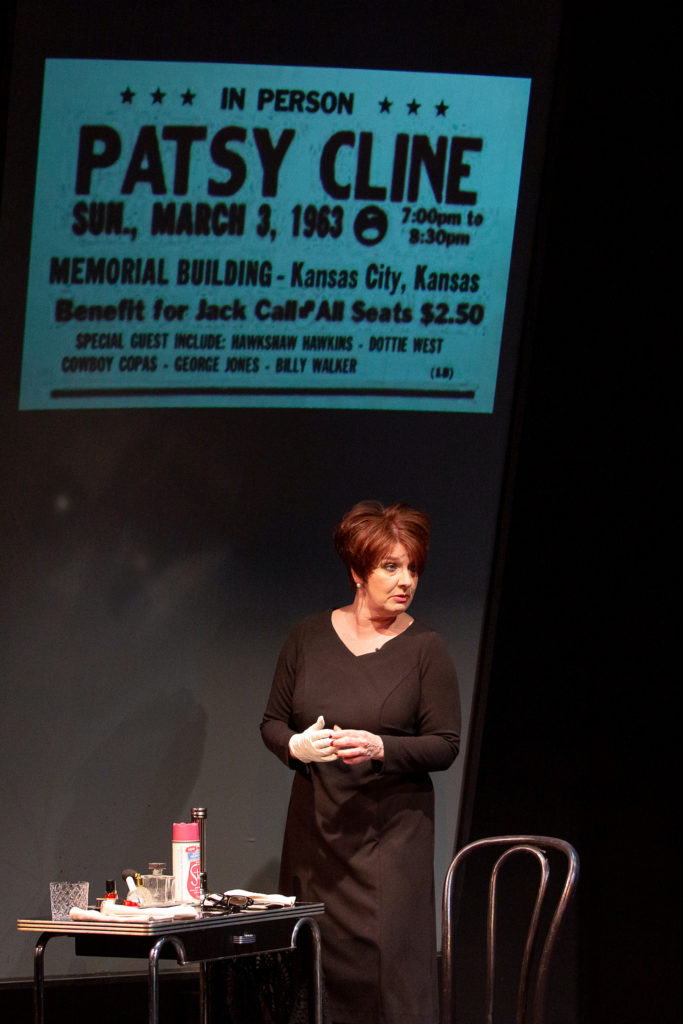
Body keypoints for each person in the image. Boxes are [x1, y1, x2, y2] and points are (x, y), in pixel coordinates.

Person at [260, 500, 461, 1024]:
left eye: (413, 568)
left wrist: (381, 747)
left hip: (389, 846)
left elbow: (445, 744)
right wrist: (296, 747)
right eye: (391, 567)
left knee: (387, 980)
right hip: (317, 841)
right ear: (357, 571)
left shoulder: (426, 649)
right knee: (314, 976)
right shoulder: (307, 638)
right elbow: (272, 722)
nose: (406, 581)